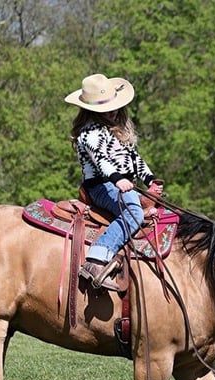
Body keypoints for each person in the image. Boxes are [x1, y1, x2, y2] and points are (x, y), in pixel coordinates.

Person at [64, 73, 163, 291]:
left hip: (124, 184)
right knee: (134, 213)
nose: (113, 111)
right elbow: (101, 160)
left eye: (113, 105)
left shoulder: (119, 131)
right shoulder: (88, 133)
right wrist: (118, 179)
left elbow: (135, 159)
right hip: (101, 185)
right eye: (106, 108)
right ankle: (97, 258)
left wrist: (150, 179)